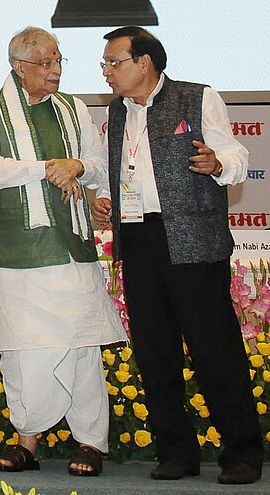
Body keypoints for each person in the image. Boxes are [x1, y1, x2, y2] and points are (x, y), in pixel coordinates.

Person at [93, 26, 260, 485]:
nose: (106, 72)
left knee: (215, 350)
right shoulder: (116, 113)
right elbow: (120, 170)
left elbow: (235, 153)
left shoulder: (197, 97)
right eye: (105, 64)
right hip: (139, 238)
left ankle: (242, 452)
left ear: (143, 63)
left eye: (113, 62)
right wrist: (103, 198)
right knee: (154, 351)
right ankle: (175, 452)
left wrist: (218, 164)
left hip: (192, 240)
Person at [0, 26, 122, 478]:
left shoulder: (73, 108)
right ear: (19, 66)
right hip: (15, 253)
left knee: (80, 347)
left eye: (58, 62)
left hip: (70, 250)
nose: (55, 71)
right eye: (45, 63)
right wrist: (46, 169)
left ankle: (90, 442)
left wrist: (76, 166)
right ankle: (26, 443)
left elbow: (97, 163)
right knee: (21, 349)